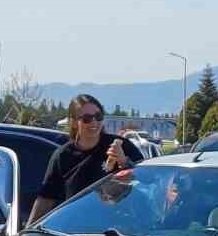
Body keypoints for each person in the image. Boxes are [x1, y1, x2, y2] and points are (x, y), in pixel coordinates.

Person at [29, 94, 143, 223]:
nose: (94, 122)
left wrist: (123, 162)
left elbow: (146, 180)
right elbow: (46, 198)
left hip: (119, 228)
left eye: (98, 117)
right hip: (77, 230)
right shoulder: (63, 156)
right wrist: (26, 231)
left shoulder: (122, 146)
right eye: (87, 118)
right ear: (73, 122)